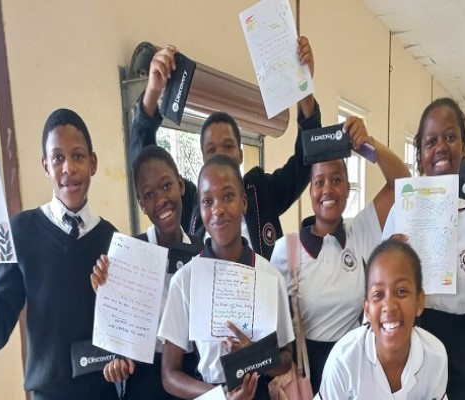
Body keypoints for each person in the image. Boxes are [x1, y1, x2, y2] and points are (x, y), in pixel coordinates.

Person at [0, 109, 119, 399]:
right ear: (45, 166)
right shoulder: (21, 233)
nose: (68, 167)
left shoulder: (113, 240)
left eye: (78, 156)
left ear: (92, 163)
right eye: (57, 158)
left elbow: (124, 335)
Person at [128, 36, 322, 260]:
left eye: (228, 146)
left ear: (240, 154)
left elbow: (304, 162)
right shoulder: (190, 202)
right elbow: (145, 166)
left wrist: (303, 90)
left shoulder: (261, 192)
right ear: (203, 157)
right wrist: (153, 90)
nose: (220, 154)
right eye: (211, 150)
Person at [382, 97, 465, 400]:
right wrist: (391, 264)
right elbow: (379, 293)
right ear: (420, 156)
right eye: (430, 141)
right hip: (406, 349)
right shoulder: (403, 211)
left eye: (450, 137)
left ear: (464, 148)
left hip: (459, 361)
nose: (441, 146)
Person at [270, 120, 410, 393]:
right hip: (307, 380)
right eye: (319, 182)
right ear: (310, 191)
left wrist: (366, 146)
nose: (327, 189)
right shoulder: (287, 250)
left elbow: (402, 183)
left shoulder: (361, 232)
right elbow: (272, 326)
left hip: (355, 372)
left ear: (348, 188)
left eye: (336, 180)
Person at [157, 154, 295, 399]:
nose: (218, 209)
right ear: (200, 210)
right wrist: (220, 397)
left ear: (244, 203)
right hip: (211, 394)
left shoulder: (270, 277)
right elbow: (169, 375)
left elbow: (285, 360)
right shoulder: (186, 280)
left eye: (228, 196)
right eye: (207, 201)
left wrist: (254, 355)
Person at [90, 145, 203, 399]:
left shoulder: (202, 252)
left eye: (166, 186)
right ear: (141, 204)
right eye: (149, 194)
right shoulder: (126, 257)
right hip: (145, 379)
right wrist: (104, 288)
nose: (161, 199)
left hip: (194, 374)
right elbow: (117, 340)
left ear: (181, 185)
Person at [318, 239, 448, 399]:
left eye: (401, 291)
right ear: (367, 309)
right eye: (378, 294)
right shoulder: (343, 361)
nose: (389, 306)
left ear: (419, 302)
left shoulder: (435, 357)